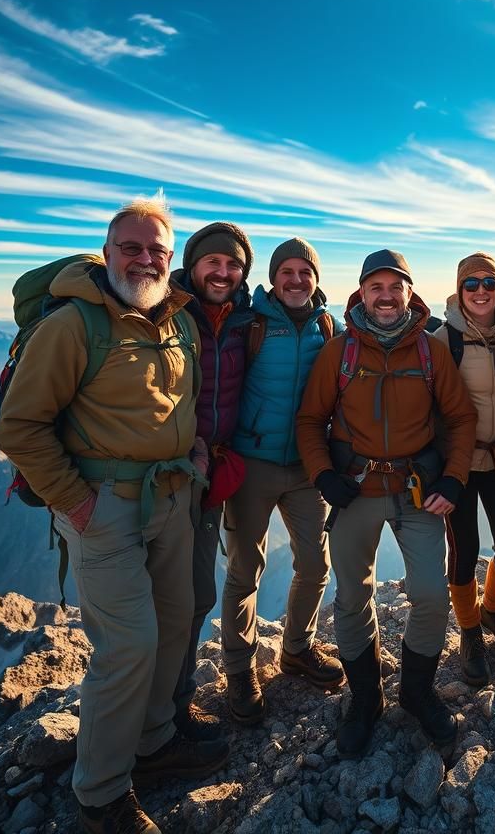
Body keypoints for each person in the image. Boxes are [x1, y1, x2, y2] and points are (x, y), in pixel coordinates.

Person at [0, 196, 228, 834]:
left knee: (176, 621)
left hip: (172, 498)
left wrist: (197, 452)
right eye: (132, 247)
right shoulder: (75, 325)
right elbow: (19, 426)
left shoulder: (174, 318)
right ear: (107, 252)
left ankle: (152, 743)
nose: (146, 259)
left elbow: (180, 399)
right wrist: (78, 503)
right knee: (128, 644)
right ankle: (99, 794)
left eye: (157, 249)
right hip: (103, 507)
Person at [296, 249, 477, 759]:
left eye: (394, 286)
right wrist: (323, 475)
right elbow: (310, 421)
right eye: (376, 287)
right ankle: (366, 698)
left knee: (430, 593)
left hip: (416, 489)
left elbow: (461, 418)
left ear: (408, 292)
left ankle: (415, 692)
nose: (386, 295)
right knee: (352, 596)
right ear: (361, 293)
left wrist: (456, 478)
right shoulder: (340, 351)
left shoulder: (428, 350)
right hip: (355, 489)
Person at [221, 238, 343, 725]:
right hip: (251, 464)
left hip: (307, 467)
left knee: (315, 564)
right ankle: (238, 671)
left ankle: (296, 649)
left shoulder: (327, 327)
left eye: (304, 272)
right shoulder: (248, 324)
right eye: (286, 272)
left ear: (315, 279)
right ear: (273, 279)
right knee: (244, 571)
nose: (296, 280)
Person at [169, 221, 255, 740]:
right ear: (193, 264)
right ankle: (158, 718)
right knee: (170, 596)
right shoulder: (164, 312)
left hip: (214, 476)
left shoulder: (247, 320)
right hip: (166, 474)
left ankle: (172, 708)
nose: (222, 272)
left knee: (196, 593)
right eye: (213, 262)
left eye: (233, 264)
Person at [433, 252, 495, 686]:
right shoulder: (441, 340)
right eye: (471, 284)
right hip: (459, 464)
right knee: (464, 549)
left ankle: (493, 611)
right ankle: (470, 633)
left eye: (489, 282)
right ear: (459, 291)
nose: (481, 291)